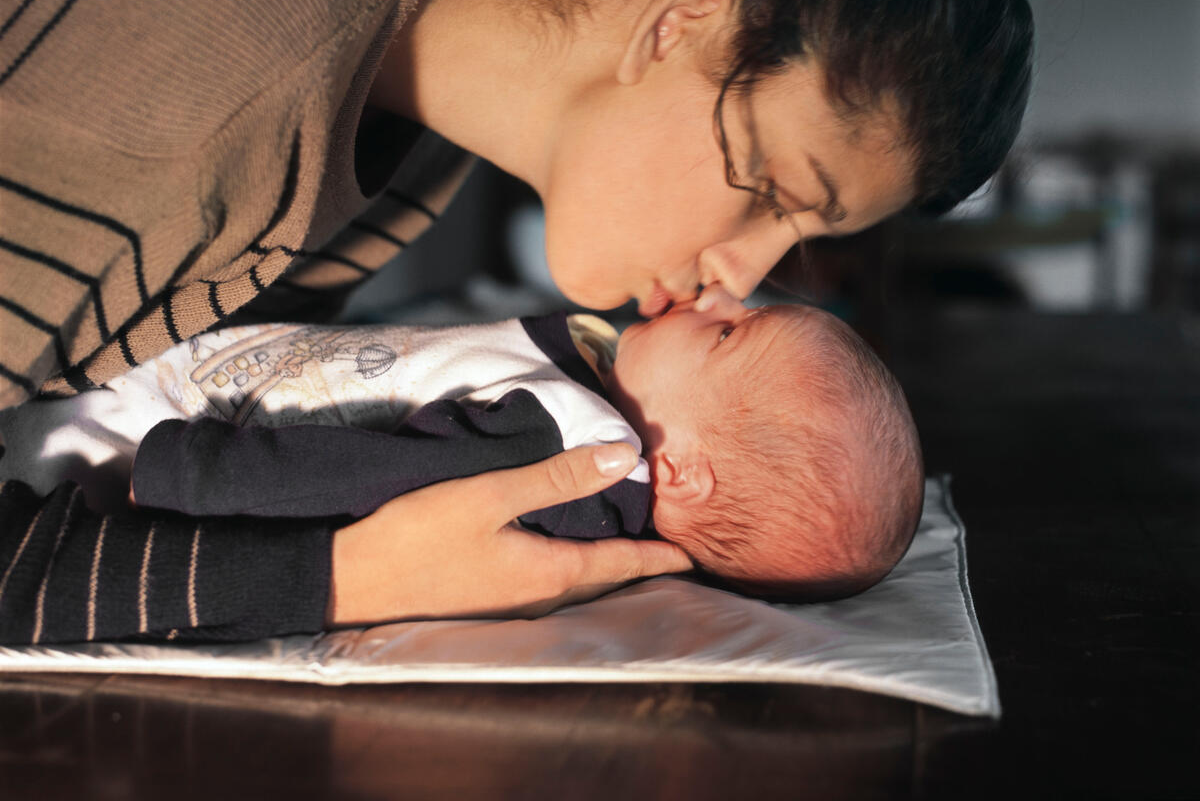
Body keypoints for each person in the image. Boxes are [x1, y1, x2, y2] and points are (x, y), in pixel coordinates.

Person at [0, 0, 1045, 643]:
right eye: (773, 190)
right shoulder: (218, 24)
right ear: (686, 23)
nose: (742, 276)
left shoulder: (412, 131)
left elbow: (202, 395)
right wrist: (349, 578)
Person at [1, 286, 922, 602]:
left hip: (117, 439)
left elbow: (364, 481)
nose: (718, 298)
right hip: (159, 383)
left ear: (675, 467)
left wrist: (188, 472)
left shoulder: (574, 451)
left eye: (729, 334)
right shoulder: (591, 393)